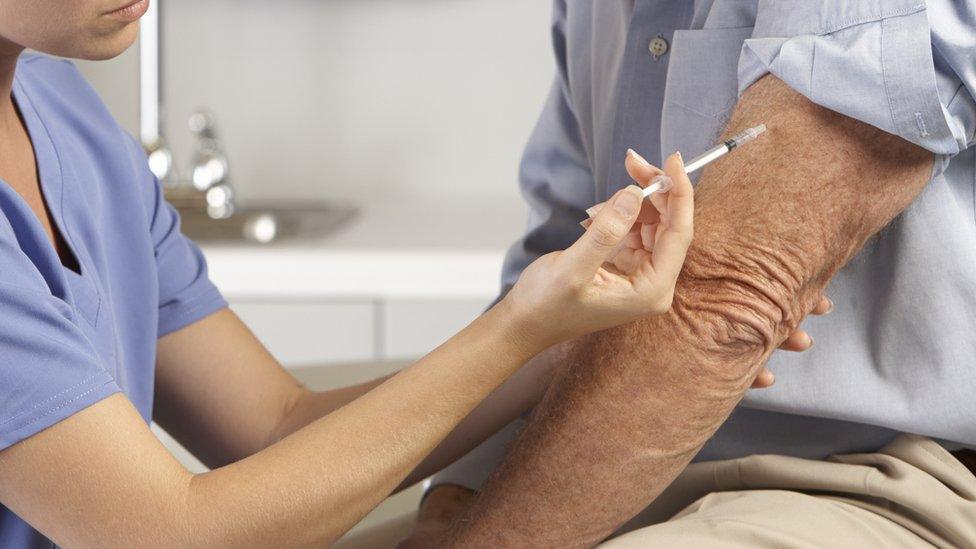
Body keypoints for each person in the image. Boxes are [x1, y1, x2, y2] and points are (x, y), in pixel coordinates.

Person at [0, 1, 835, 546]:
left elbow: (273, 425)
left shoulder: (63, 108)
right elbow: (170, 535)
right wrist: (524, 323)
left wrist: (570, 335)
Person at [405, 0, 976, 546]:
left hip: (883, 482)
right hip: (584, 464)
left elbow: (724, 302)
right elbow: (553, 271)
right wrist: (461, 490)